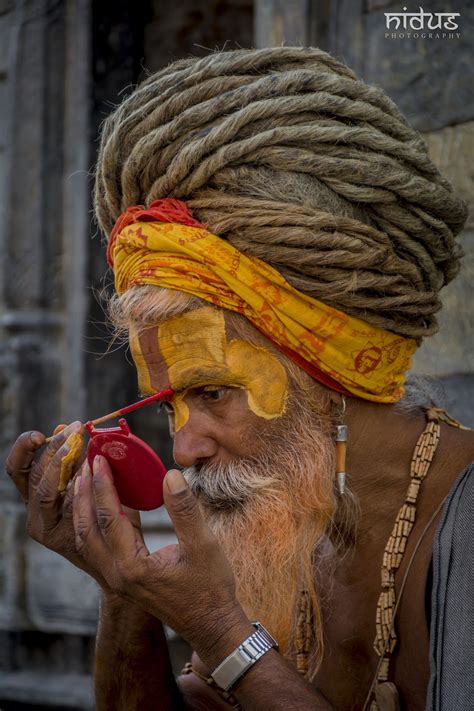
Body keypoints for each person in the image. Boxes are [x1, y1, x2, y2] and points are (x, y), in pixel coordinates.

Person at [6, 47, 474, 710]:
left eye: (214, 391)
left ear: (327, 362)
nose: (185, 447)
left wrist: (225, 632)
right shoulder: (278, 522)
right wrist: (125, 587)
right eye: (171, 407)